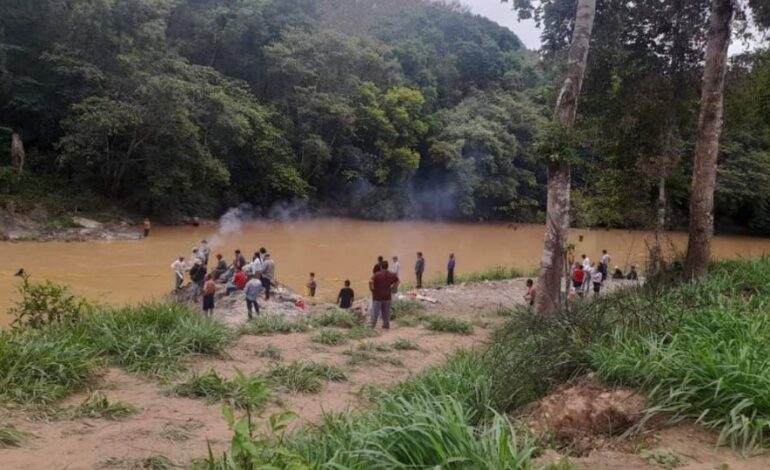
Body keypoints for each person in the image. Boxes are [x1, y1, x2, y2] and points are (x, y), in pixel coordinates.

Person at [369, 260, 399, 329]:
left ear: (381, 267)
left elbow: (370, 281)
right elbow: (398, 281)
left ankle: (372, 325)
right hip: (387, 296)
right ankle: (386, 324)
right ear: (387, 267)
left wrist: (372, 289)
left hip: (377, 297)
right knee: (386, 312)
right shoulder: (392, 274)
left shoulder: (377, 274)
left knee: (375, 312)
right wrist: (393, 288)